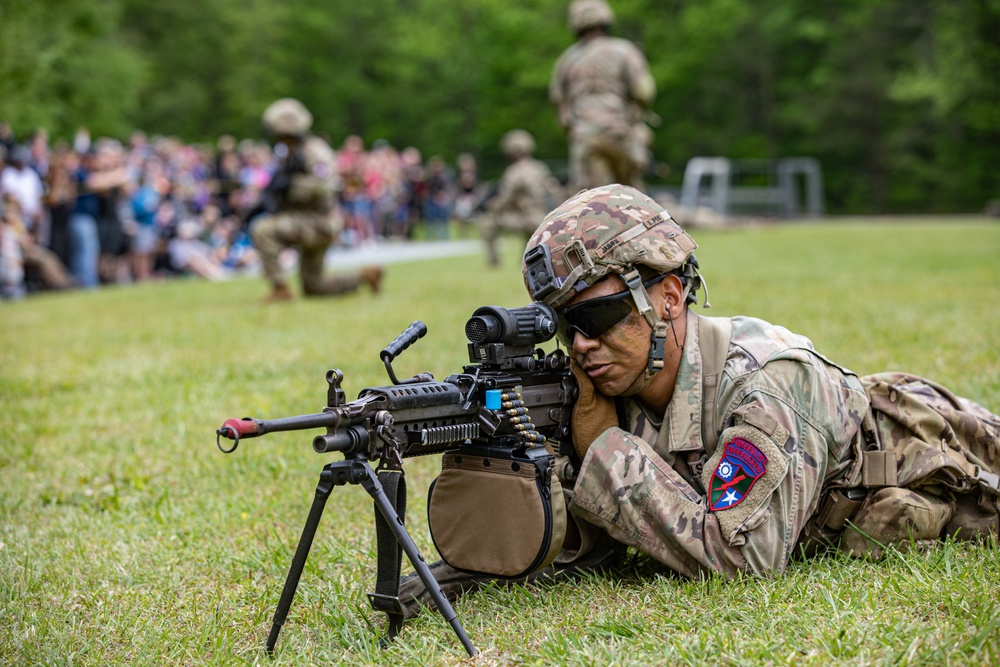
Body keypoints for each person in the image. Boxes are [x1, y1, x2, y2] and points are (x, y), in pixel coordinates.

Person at [399, 184, 999, 612]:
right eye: (563, 325)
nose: (581, 344)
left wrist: (602, 446)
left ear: (667, 297)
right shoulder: (620, 379)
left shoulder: (769, 381)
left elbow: (746, 561)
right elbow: (597, 536)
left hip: (947, 456)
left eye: (597, 315)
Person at [249, 98, 382, 301]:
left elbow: (327, 185)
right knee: (314, 287)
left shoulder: (314, 151)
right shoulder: (290, 153)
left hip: (319, 222)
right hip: (307, 220)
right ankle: (364, 277)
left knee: (262, 230)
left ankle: (280, 288)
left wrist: (293, 187)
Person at [549, 0, 656, 192]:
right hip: (620, 131)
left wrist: (574, 129)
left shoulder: (566, 61)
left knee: (593, 198)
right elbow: (644, 91)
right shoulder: (624, 51)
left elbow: (560, 106)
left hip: (586, 134)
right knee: (631, 195)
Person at [477, 130, 557, 267]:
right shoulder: (540, 168)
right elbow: (554, 190)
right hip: (540, 218)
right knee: (528, 232)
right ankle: (527, 261)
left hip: (524, 219)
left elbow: (505, 199)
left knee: (486, 223)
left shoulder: (513, 171)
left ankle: (494, 262)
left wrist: (491, 207)